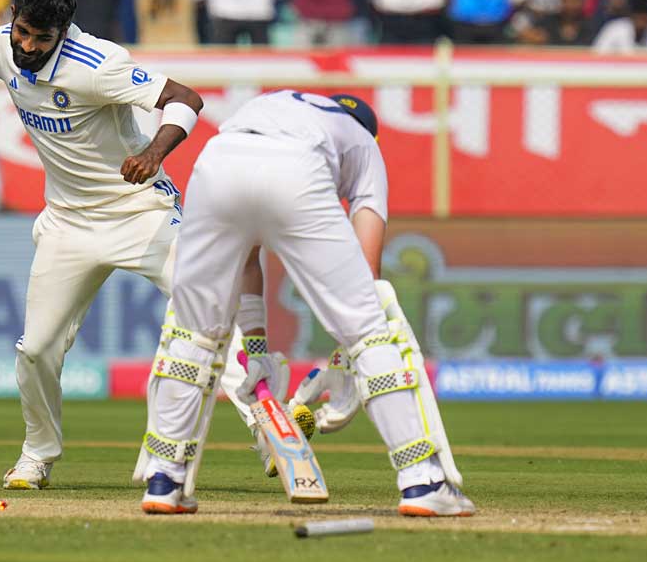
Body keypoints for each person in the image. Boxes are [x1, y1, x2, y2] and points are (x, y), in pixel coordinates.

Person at [137, 89, 475, 518]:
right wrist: (347, 356)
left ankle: (165, 479)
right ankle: (422, 482)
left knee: (194, 333)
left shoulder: (279, 105)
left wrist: (255, 350)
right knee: (371, 329)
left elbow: (245, 255)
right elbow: (365, 275)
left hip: (217, 160)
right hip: (295, 166)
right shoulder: (364, 144)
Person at [0, 0, 205, 489]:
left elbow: (185, 98)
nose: (27, 47)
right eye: (21, 31)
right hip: (68, 223)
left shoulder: (98, 64)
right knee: (37, 349)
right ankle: (37, 454)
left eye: (41, 39)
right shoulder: (3, 44)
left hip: (139, 210)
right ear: (13, 15)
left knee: (206, 311)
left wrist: (154, 153)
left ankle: (268, 424)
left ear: (62, 33)